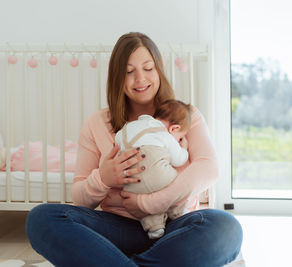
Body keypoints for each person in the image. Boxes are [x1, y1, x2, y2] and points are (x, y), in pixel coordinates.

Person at [25, 32, 242, 267]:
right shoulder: (97, 123)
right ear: (118, 77)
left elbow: (209, 168)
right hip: (119, 229)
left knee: (225, 228)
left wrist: (152, 203)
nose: (140, 79)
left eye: (148, 68)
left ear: (159, 69)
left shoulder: (184, 115)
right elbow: (79, 197)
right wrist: (103, 178)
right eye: (129, 72)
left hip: (176, 227)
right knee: (42, 218)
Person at [115, 99, 192, 239]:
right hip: (159, 176)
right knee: (180, 183)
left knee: (145, 205)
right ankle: (178, 212)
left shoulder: (129, 127)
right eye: (179, 137)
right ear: (174, 129)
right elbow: (179, 159)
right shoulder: (164, 134)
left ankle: (154, 228)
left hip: (131, 183)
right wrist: (184, 148)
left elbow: (118, 139)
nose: (178, 140)